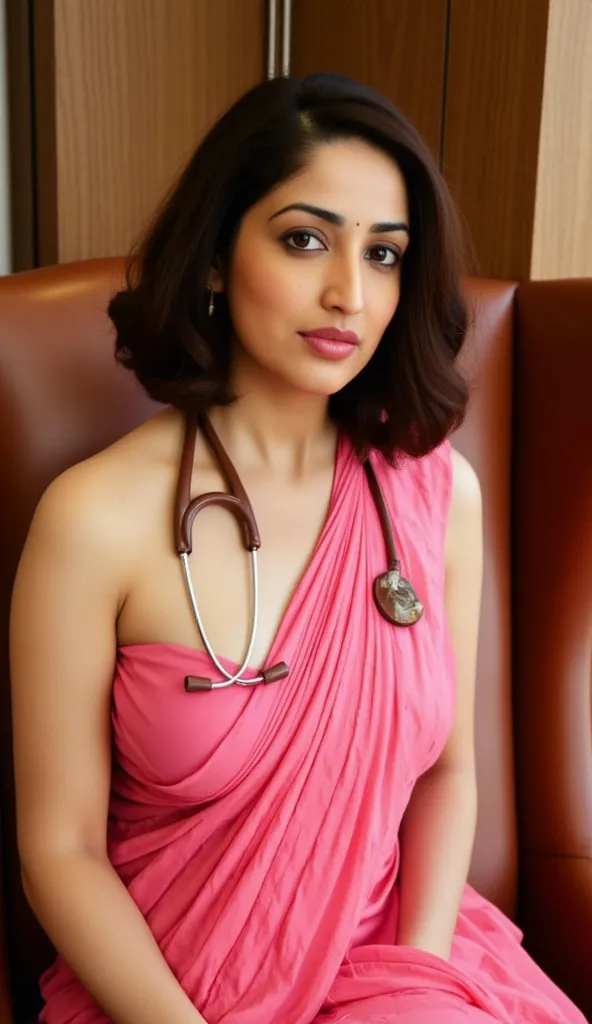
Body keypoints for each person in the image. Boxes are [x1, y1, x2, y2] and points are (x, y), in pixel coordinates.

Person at [9, 74, 586, 1024]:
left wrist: (416, 981)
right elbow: (59, 852)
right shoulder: (94, 520)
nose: (349, 294)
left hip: (396, 964)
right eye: (305, 238)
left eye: (387, 254)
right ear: (213, 258)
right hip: (165, 994)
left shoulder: (436, 495)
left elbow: (447, 774)